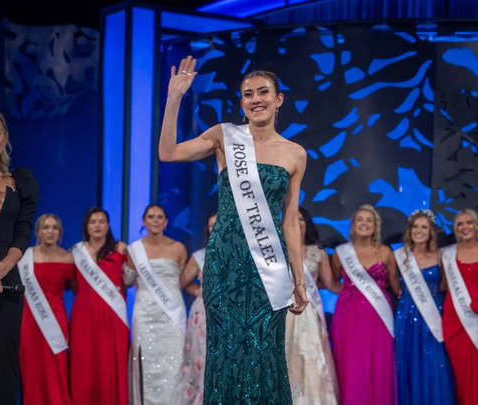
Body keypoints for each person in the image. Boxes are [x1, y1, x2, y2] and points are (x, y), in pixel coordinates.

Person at [159, 55, 309, 404]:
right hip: (225, 263)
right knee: (225, 351)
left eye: (263, 92)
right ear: (241, 102)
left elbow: (289, 221)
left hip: (268, 269)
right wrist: (174, 98)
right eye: (247, 94)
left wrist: (298, 280)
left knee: (264, 351)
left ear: (278, 99)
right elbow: (167, 153)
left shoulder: (295, 154)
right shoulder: (224, 137)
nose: (255, 99)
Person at [0, 110, 39, 405]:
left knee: (3, 366)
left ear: (5, 138)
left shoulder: (20, 181)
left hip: (7, 285)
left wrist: (4, 267)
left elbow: (23, 231)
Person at [330, 204, 397, 405]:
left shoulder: (386, 253)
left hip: (378, 315)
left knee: (377, 363)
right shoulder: (341, 253)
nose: (364, 224)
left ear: (375, 225)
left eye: (369, 220)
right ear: (352, 224)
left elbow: (395, 285)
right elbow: (334, 282)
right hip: (348, 314)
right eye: (360, 219)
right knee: (350, 363)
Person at [124, 204, 188, 404]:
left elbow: (185, 281)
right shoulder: (134, 249)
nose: (155, 220)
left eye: (160, 217)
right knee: (145, 364)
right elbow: (127, 281)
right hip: (145, 313)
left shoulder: (178, 248)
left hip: (172, 315)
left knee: (174, 364)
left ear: (166, 222)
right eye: (151, 216)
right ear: (144, 221)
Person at [393, 209, 456, 405]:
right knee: (408, 360)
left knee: (433, 362)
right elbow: (395, 285)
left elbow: (445, 285)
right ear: (410, 230)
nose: (419, 231)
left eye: (424, 227)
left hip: (432, 315)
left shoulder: (440, 256)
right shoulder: (399, 255)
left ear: (431, 232)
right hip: (406, 313)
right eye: (416, 226)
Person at [441, 209, 478, 405]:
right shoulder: (446, 254)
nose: (465, 227)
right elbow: (442, 285)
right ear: (456, 229)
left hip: (477, 317)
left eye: (469, 223)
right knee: (455, 370)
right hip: (453, 318)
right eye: (460, 224)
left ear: (477, 227)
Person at [69, 207, 129, 405]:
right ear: (87, 226)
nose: (97, 225)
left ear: (108, 226)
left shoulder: (121, 248)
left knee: (110, 363)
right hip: (84, 315)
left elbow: (129, 280)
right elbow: (73, 284)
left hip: (113, 316)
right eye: (93, 221)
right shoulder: (75, 251)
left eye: (101, 221)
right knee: (84, 363)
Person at [285, 207, 341, 404]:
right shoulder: (277, 252)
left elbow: (332, 285)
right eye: (293, 218)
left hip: (309, 313)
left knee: (310, 355)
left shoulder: (317, 253)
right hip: (285, 312)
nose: (298, 222)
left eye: (302, 219)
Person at [18, 214, 74, 405]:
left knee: (56, 366)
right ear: (38, 231)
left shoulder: (68, 258)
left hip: (55, 320)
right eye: (45, 227)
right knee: (31, 367)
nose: (50, 232)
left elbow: (78, 289)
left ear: (60, 232)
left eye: (54, 228)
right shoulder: (25, 257)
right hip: (29, 320)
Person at [175, 213, 217, 405]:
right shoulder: (200, 256)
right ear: (207, 230)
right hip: (205, 314)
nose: (215, 227)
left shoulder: (240, 254)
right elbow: (182, 282)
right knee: (204, 357)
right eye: (211, 225)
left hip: (231, 314)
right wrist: (201, 292)